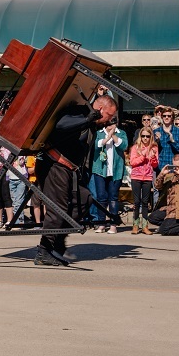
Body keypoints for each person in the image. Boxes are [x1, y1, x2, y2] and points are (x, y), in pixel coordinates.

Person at [34, 94, 118, 266]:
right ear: (100, 109)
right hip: (54, 164)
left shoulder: (93, 122)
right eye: (109, 116)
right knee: (58, 209)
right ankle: (44, 251)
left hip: (70, 170)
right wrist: (87, 119)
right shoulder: (79, 112)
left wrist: (97, 123)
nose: (109, 120)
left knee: (84, 199)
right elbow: (61, 125)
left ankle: (58, 241)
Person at [91, 121, 128, 234]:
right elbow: (95, 146)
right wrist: (107, 137)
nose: (109, 126)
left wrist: (113, 135)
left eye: (112, 123)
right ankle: (101, 224)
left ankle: (113, 224)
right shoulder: (98, 133)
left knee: (113, 197)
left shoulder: (121, 133)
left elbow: (124, 146)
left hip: (116, 171)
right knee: (101, 197)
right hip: (100, 170)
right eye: (107, 124)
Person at [149, 154, 179, 236]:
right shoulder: (171, 176)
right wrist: (162, 174)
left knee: (164, 230)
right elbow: (157, 186)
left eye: (178, 166)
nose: (176, 169)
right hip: (170, 209)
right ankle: (173, 226)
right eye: (174, 166)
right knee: (152, 218)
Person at [129, 128, 158, 234]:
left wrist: (153, 158)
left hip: (147, 177)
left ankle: (145, 226)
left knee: (145, 202)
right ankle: (135, 225)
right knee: (137, 201)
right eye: (143, 136)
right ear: (140, 137)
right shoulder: (135, 147)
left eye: (148, 136)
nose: (145, 138)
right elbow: (132, 162)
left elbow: (155, 165)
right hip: (136, 176)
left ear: (151, 137)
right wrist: (143, 156)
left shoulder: (154, 147)